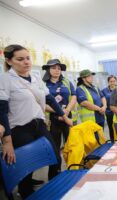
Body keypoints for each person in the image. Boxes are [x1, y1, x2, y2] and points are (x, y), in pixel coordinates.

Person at [0, 44, 73, 198]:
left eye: (28, 58)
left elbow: (49, 98)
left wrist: (64, 116)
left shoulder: (35, 76)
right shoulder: (5, 79)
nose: (26, 62)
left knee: (55, 156)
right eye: (20, 59)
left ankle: (56, 184)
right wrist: (7, 142)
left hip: (39, 124)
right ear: (9, 61)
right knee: (27, 165)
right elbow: (2, 111)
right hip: (20, 128)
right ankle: (25, 191)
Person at [42, 59, 77, 169]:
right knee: (54, 148)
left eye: (59, 68)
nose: (57, 70)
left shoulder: (66, 81)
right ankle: (55, 172)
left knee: (71, 145)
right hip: (52, 119)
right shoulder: (43, 84)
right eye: (53, 68)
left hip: (68, 117)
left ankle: (72, 168)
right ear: (48, 69)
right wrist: (59, 112)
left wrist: (66, 111)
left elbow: (74, 97)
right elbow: (40, 102)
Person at [101, 75, 117, 141]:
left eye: (114, 81)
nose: (112, 83)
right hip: (109, 112)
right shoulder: (104, 91)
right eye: (111, 81)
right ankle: (112, 140)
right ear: (108, 82)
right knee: (110, 127)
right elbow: (102, 101)